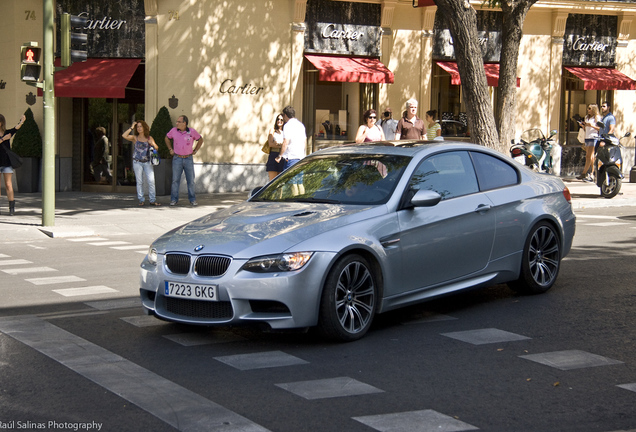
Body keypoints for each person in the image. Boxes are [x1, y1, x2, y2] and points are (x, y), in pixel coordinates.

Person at [165, 115, 203, 206]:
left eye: (179, 122)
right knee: (175, 180)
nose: (177, 123)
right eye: (177, 121)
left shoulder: (192, 131)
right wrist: (170, 149)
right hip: (177, 158)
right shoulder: (173, 130)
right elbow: (166, 138)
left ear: (184, 123)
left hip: (188, 158)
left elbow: (200, 139)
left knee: (190, 180)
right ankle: (174, 200)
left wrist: (196, 150)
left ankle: (192, 199)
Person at [123, 121, 161, 206]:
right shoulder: (135, 138)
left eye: (140, 126)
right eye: (138, 127)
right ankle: (141, 200)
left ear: (144, 128)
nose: (139, 128)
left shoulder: (149, 138)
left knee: (151, 181)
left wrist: (152, 144)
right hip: (137, 162)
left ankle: (152, 200)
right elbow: (124, 136)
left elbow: (157, 148)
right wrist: (131, 127)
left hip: (148, 162)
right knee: (139, 182)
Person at [275, 106, 307, 195]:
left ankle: (295, 202)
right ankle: (302, 200)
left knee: (293, 183)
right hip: (301, 157)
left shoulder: (288, 125)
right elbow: (305, 141)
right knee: (300, 183)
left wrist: (280, 155)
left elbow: (286, 142)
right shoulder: (301, 125)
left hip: (291, 158)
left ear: (285, 115)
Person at [0, 114, 25, 216]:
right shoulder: (5, 136)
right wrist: (3, 139)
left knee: (8, 185)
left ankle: (11, 207)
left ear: (2, 122)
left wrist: (22, 121)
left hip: (6, 163)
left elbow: (16, 129)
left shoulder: (7, 132)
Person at [577, 104, 601, 182]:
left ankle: (588, 172)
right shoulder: (586, 117)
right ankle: (590, 172)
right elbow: (586, 128)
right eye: (588, 108)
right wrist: (583, 126)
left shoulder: (597, 118)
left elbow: (599, 129)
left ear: (594, 109)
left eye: (590, 108)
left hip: (593, 137)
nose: (588, 110)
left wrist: (592, 126)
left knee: (590, 156)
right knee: (589, 156)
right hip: (587, 137)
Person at [266, 114, 285, 181]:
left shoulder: (285, 131)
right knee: (272, 181)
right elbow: (270, 144)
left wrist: (278, 144)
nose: (279, 121)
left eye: (281, 120)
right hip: (273, 155)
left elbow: (287, 144)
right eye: (278, 119)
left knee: (281, 181)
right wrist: (281, 145)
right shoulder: (272, 130)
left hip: (282, 156)